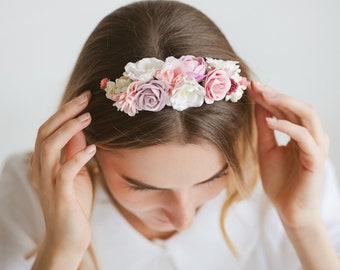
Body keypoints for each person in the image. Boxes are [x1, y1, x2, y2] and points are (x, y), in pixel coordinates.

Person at [0, 1, 339, 269]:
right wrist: (62, 249)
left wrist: (304, 224)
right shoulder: (29, 193)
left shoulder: (300, 180)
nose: (183, 218)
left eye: (214, 177)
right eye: (142, 186)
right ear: (86, 143)